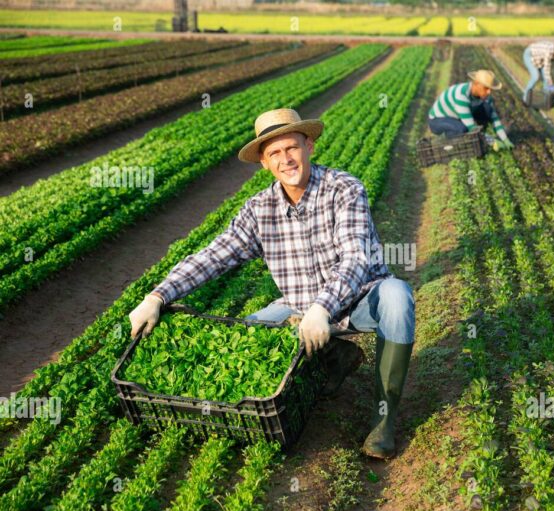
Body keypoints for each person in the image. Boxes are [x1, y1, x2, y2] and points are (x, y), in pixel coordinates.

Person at [128, 108, 416, 460]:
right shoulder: (258, 210)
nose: (286, 159)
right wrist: (158, 295)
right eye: (274, 153)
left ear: (308, 145)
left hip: (359, 299)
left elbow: (356, 258)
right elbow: (214, 256)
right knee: (245, 339)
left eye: (291, 148)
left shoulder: (344, 189)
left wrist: (322, 308)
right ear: (264, 162)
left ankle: (383, 421)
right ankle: (333, 356)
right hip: (297, 309)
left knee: (397, 296)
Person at [428, 69, 513, 149]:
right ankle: (448, 145)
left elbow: (494, 117)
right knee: (461, 129)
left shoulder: (485, 96)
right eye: (486, 88)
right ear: (476, 84)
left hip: (456, 116)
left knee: (487, 109)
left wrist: (505, 139)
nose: (489, 91)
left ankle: (481, 137)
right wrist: (493, 142)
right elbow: (472, 127)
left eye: (490, 88)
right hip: (437, 120)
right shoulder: (461, 96)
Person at [522, 41, 554, 106]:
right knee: (535, 76)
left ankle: (544, 100)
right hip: (530, 55)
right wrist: (551, 85)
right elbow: (546, 70)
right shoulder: (549, 52)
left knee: (546, 79)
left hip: (540, 60)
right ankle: (525, 98)